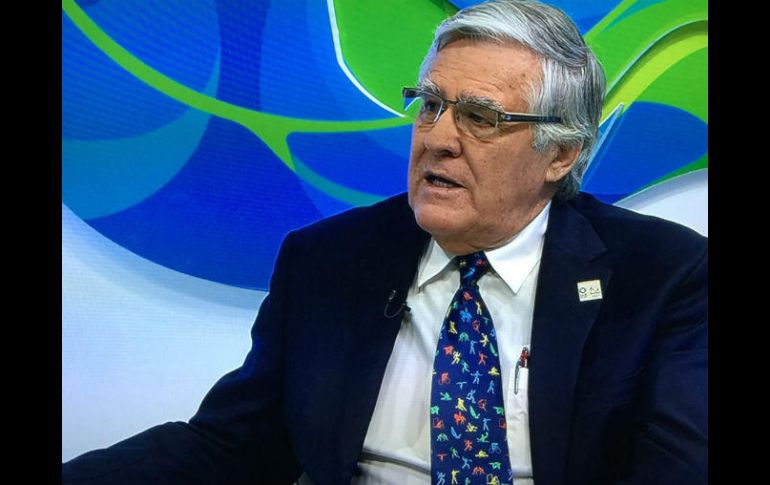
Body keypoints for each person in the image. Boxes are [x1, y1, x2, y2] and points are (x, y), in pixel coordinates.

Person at [62, 1, 707, 484]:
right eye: (430, 105)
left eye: (479, 117)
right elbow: (230, 447)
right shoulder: (328, 261)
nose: (438, 138)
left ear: (560, 154)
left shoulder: (661, 276)